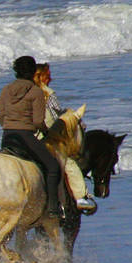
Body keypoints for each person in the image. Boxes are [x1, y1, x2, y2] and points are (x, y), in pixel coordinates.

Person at [0, 55, 64, 220]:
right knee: (53, 166)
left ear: (15, 71)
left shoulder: (6, 89)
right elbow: (38, 121)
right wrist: (45, 131)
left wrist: (9, 124)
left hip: (7, 136)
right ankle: (53, 207)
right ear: (33, 72)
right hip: (26, 137)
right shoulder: (36, 92)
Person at [34, 62, 96, 214]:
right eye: (48, 76)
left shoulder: (25, 92)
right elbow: (57, 119)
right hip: (46, 137)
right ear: (41, 76)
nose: (51, 79)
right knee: (69, 164)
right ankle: (81, 198)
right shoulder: (47, 93)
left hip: (24, 136)